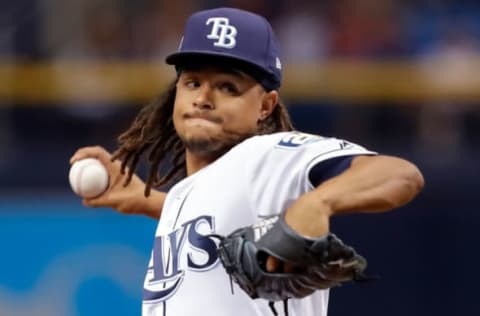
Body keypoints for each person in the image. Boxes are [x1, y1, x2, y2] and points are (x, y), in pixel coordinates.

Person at [70, 7, 424, 316]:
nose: (204, 98)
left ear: (265, 107)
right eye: (193, 82)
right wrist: (149, 201)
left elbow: (399, 174)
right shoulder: (185, 194)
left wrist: (319, 202)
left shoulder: (271, 154)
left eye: (228, 87)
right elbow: (220, 225)